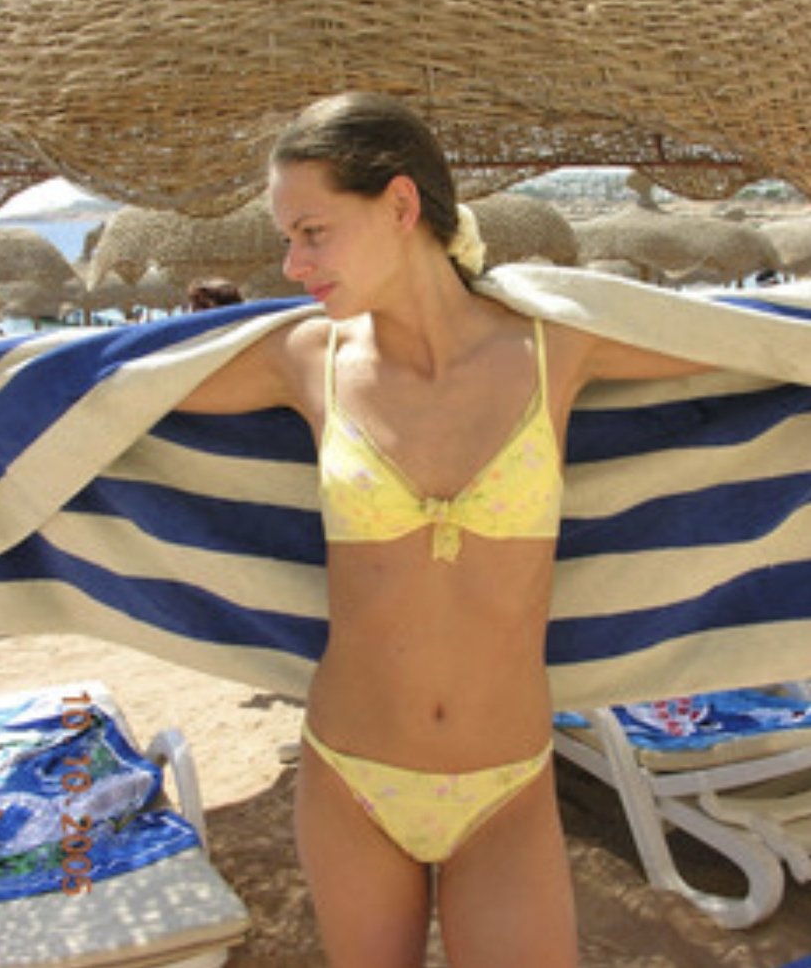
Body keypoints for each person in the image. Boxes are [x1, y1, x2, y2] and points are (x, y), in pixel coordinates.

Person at [179, 92, 707, 968]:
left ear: (399, 204)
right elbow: (103, 390)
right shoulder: (305, 358)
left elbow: (754, 346)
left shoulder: (556, 347)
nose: (292, 264)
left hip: (507, 792)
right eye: (287, 238)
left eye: (312, 232)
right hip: (350, 778)